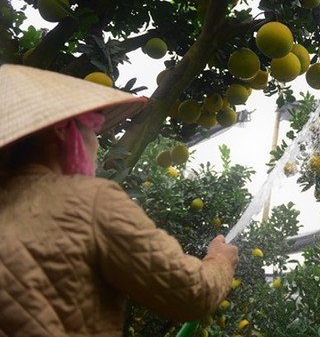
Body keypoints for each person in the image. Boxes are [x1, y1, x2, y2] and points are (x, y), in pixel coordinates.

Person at [0, 63, 238, 336]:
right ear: (60, 132)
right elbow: (191, 294)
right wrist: (219, 261)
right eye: (90, 128)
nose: (96, 141)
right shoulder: (88, 202)